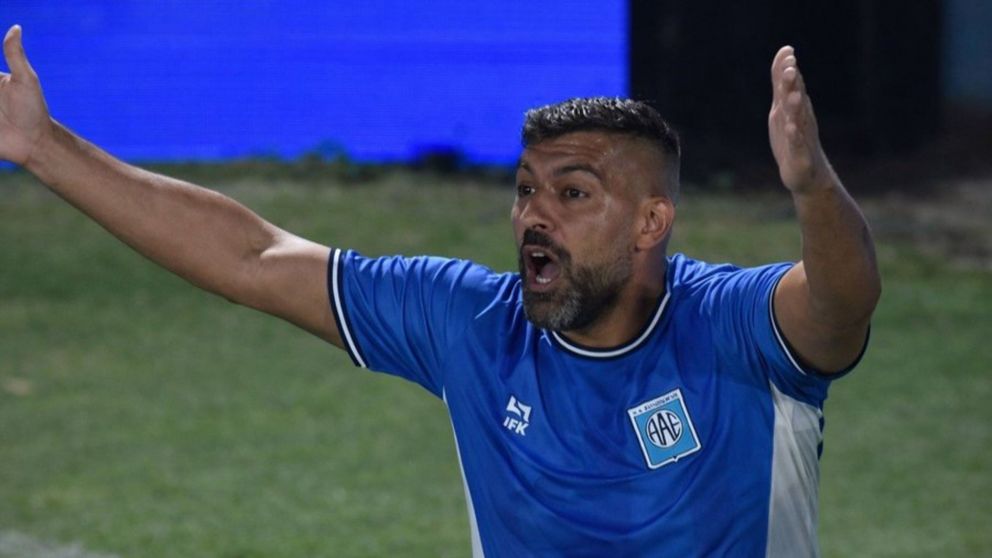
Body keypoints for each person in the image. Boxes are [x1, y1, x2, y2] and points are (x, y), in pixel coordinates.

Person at [0, 24, 880, 557]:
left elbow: (842, 302)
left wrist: (810, 190)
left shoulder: (732, 327)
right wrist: (45, 149)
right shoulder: (471, 325)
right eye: (528, 190)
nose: (535, 216)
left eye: (573, 195)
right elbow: (253, 257)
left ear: (652, 222)